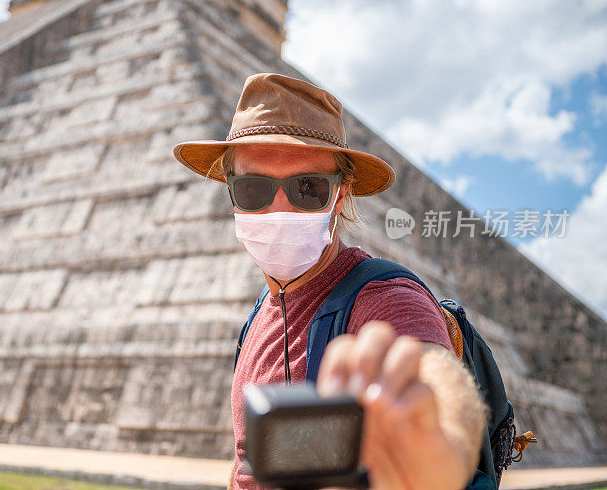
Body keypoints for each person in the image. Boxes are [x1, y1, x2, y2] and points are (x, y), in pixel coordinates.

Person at [173, 73, 486, 490]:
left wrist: (440, 449)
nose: (278, 209)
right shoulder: (257, 318)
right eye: (252, 189)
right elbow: (245, 459)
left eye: (307, 188)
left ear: (340, 194)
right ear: (231, 193)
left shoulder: (384, 296)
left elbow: (434, 374)